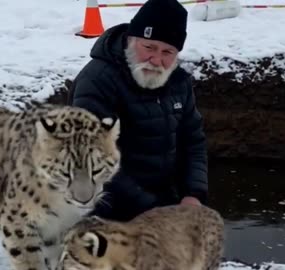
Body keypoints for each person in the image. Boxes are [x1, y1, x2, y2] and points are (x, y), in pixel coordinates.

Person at [67, 0, 208, 221]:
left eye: (167, 52)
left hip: (158, 199)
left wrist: (193, 194)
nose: (156, 60)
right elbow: (95, 158)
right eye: (149, 47)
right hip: (102, 202)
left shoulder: (179, 82)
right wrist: (151, 209)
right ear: (132, 40)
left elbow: (193, 142)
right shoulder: (98, 80)